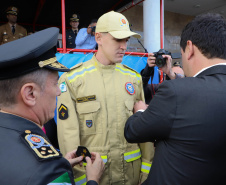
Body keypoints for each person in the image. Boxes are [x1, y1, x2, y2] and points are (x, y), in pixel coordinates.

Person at [124, 13, 226, 185]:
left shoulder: (176, 92)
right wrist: (170, 73)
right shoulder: (181, 90)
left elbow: (133, 131)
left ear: (190, 48)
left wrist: (141, 110)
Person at [57, 11, 154, 185]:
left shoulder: (133, 78)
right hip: (96, 179)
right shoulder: (73, 80)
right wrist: (81, 180)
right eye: (118, 39)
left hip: (132, 178)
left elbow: (143, 131)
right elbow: (68, 137)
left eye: (126, 40)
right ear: (98, 38)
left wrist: (146, 173)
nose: (124, 46)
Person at [0, 27, 104, 185]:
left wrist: (62, 165)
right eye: (55, 84)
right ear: (30, 94)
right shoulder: (48, 170)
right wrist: (93, 179)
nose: (58, 92)